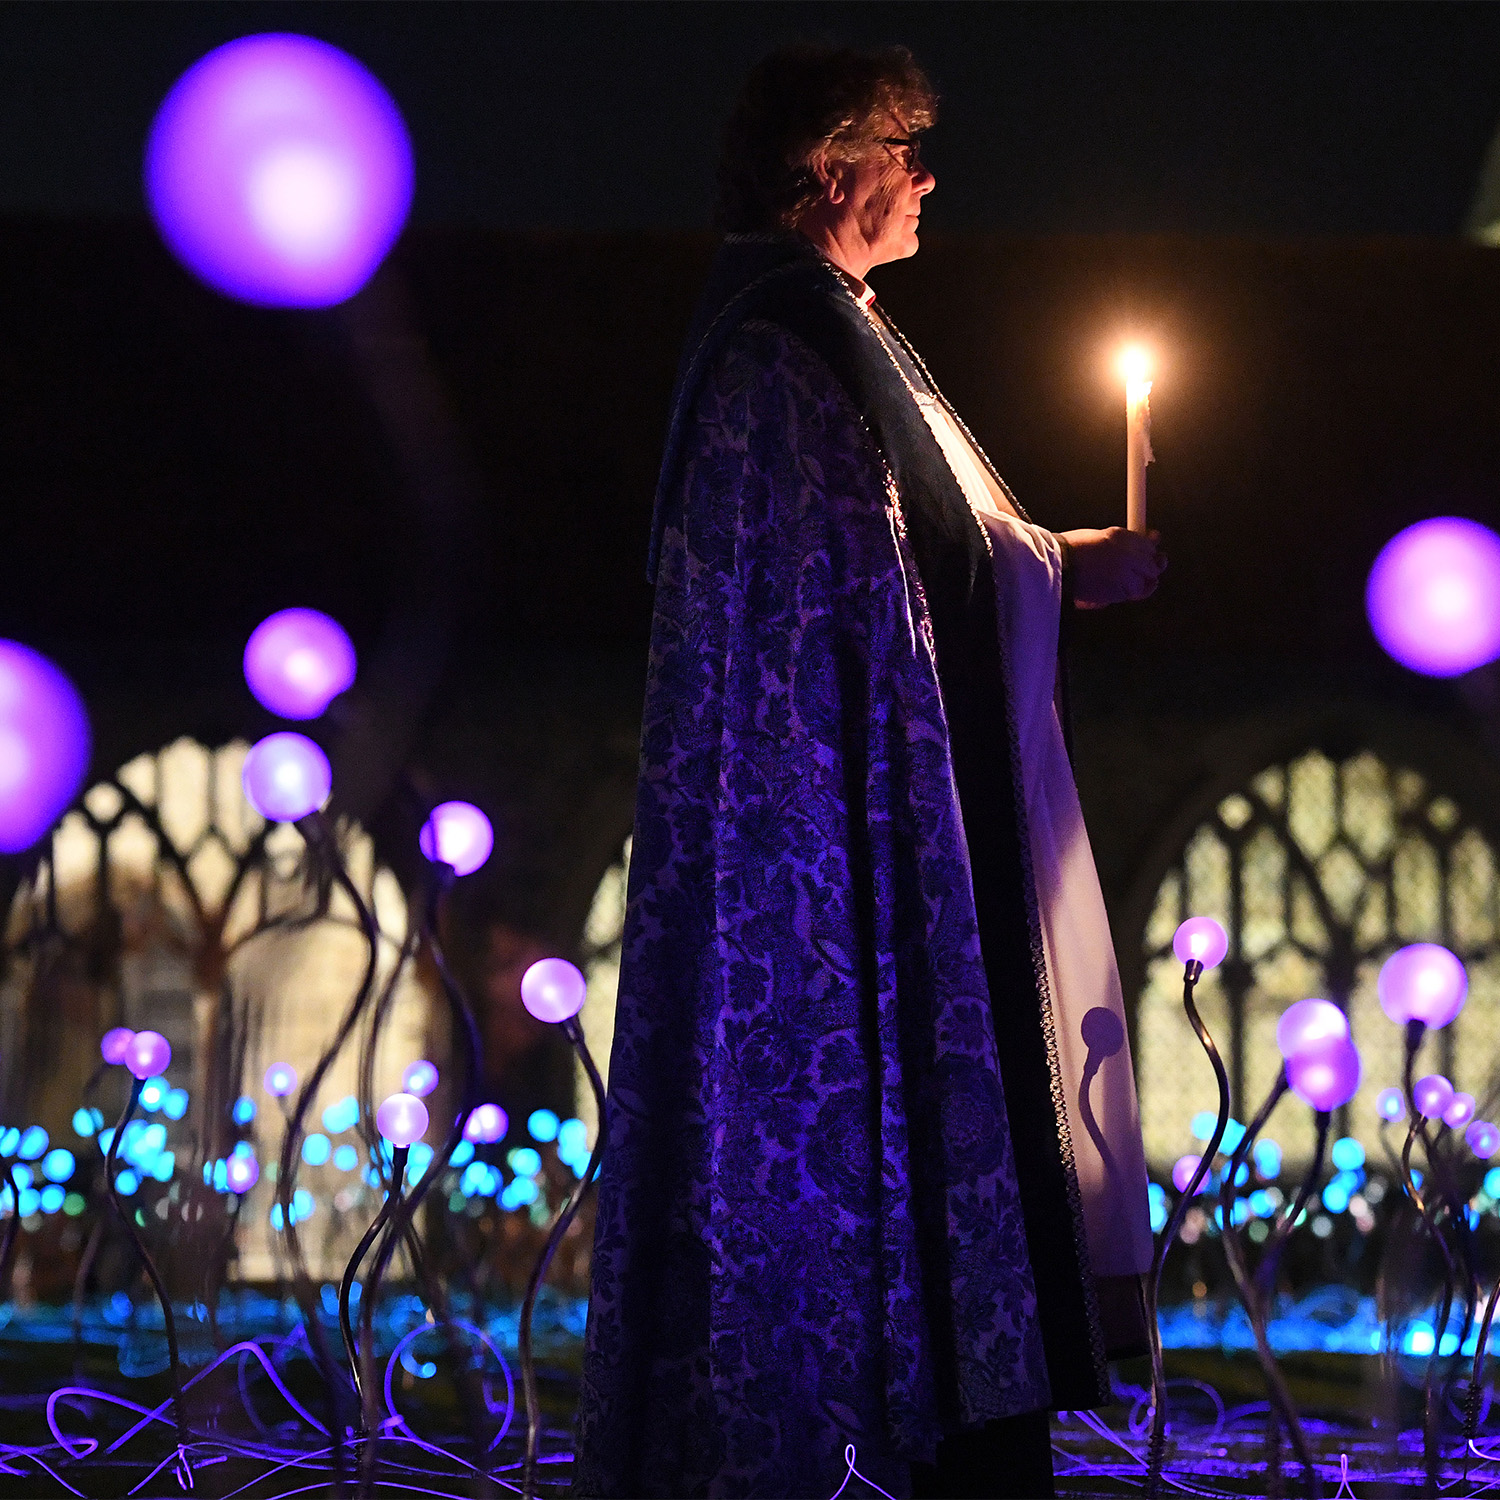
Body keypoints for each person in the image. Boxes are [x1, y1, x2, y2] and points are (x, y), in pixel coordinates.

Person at [574, 43, 1165, 1500]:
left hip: (892, 793)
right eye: (906, 149)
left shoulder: (840, 326)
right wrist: (1034, 583)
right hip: (842, 824)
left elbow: (924, 559)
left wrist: (1063, 565)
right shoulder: (787, 340)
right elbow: (836, 603)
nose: (927, 176)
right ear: (834, 167)